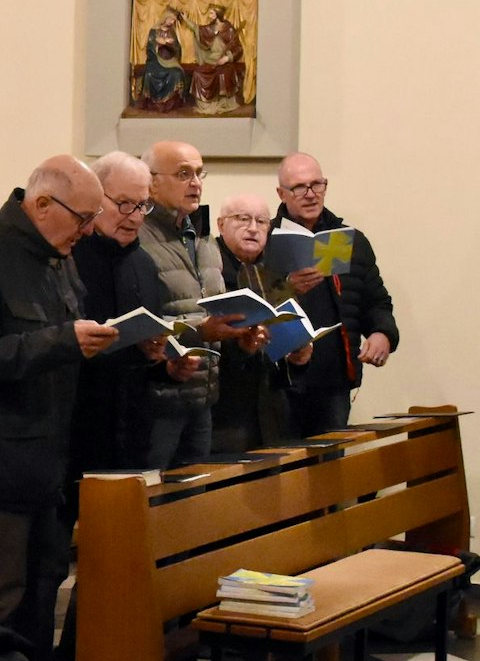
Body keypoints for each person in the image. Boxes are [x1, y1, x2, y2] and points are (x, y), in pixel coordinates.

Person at [0, 156, 116, 661]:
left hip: (46, 454)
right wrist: (63, 342)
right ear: (42, 204)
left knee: (44, 583)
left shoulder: (57, 253)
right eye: (83, 218)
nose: (88, 230)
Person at [134, 140, 261, 468]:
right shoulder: (138, 237)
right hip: (156, 401)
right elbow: (139, 319)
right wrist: (199, 331)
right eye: (183, 174)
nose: (195, 183)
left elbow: (206, 311)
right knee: (153, 494)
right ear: (151, 182)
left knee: (195, 496)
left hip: (203, 398)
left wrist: (240, 341)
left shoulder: (202, 238)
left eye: (199, 173)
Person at [271, 153, 399, 435]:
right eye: (299, 187)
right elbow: (256, 303)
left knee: (330, 460)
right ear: (281, 193)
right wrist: (287, 287)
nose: (311, 194)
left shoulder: (350, 241)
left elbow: (376, 302)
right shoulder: (265, 240)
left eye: (317, 184)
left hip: (335, 381)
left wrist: (382, 333)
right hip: (281, 382)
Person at [68, 152, 161, 482]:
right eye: (123, 204)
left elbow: (147, 344)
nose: (134, 217)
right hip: (78, 423)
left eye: (142, 206)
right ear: (95, 197)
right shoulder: (68, 257)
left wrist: (162, 360)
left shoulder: (144, 264)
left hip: (133, 425)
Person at [215, 194, 309, 453]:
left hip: (271, 402)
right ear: (221, 225)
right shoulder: (211, 268)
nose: (253, 228)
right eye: (243, 219)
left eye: (261, 221)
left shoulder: (275, 272)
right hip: (225, 406)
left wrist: (299, 353)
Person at [190, 5, 246, 116]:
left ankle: (222, 103)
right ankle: (206, 105)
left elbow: (238, 48)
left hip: (225, 62)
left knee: (223, 74)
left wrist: (227, 58)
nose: (209, 15)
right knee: (198, 73)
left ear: (217, 14)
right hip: (211, 61)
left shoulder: (229, 29)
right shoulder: (209, 28)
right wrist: (186, 20)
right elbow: (196, 28)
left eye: (211, 13)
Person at [137, 9, 187, 112]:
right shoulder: (154, 31)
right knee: (149, 73)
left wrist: (169, 44)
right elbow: (149, 49)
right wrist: (157, 45)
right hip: (155, 61)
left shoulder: (172, 32)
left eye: (174, 20)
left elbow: (178, 49)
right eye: (171, 19)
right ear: (165, 18)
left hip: (170, 61)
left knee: (177, 73)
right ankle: (152, 103)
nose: (172, 22)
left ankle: (170, 103)